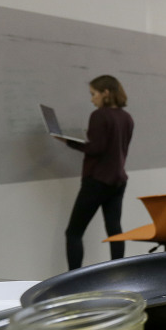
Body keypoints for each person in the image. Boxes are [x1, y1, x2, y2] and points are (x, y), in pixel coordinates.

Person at [57, 75, 134, 270]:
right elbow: (114, 147)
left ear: (105, 93)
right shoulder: (127, 117)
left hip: (97, 180)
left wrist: (68, 140)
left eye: (94, 94)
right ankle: (119, 273)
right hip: (118, 180)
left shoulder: (99, 115)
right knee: (115, 230)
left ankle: (74, 280)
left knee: (73, 232)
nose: (92, 99)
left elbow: (96, 149)